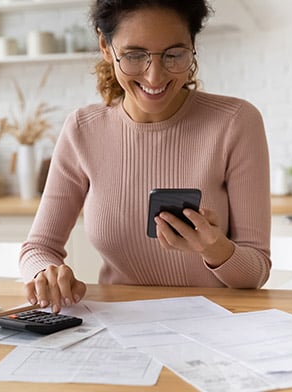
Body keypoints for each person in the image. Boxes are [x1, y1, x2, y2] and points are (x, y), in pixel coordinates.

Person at [19, 0, 271, 313]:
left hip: (214, 325)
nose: (154, 77)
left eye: (174, 54)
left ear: (193, 46)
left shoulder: (235, 122)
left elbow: (256, 271)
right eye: (135, 55)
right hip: (120, 325)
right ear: (105, 46)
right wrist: (46, 273)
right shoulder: (83, 129)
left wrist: (214, 247)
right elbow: (38, 248)